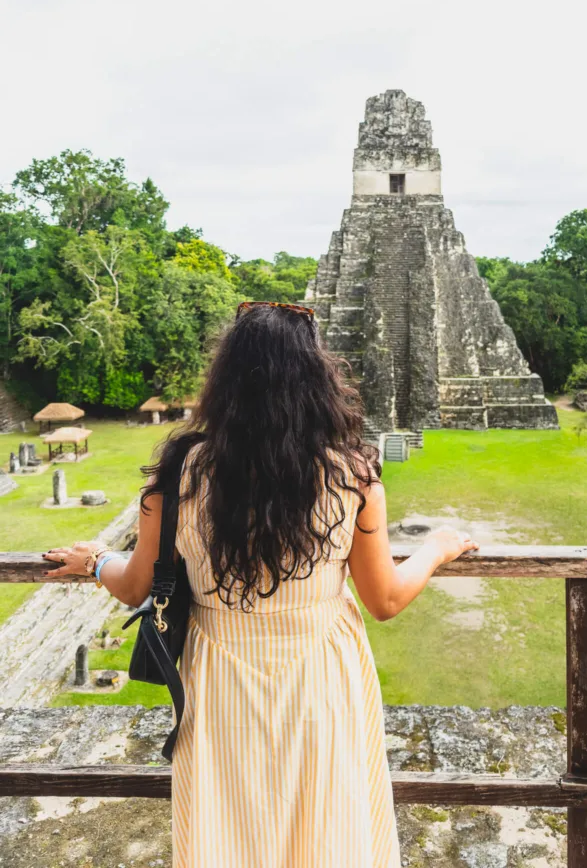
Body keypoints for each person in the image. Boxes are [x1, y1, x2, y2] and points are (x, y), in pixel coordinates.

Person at [43, 300, 479, 868]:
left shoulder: (180, 475)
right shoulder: (350, 476)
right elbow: (386, 599)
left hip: (220, 673)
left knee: (227, 832)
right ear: (317, 378)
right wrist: (436, 549)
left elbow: (134, 588)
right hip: (321, 672)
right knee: (329, 825)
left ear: (224, 381)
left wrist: (97, 559)